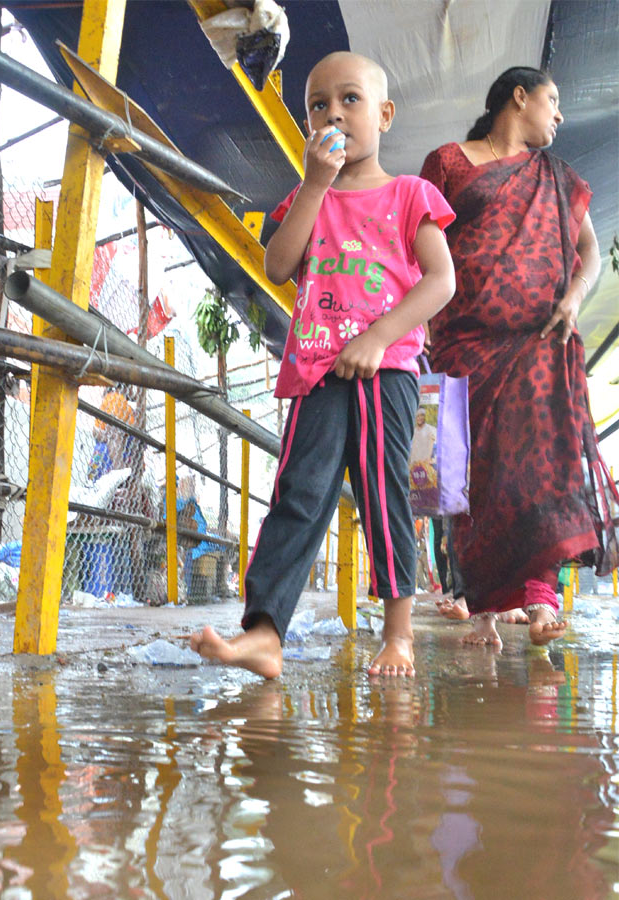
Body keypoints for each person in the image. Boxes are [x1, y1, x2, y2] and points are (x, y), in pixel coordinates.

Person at [189, 51, 456, 678]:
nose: (333, 112)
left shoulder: (411, 195)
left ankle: (399, 634)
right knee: (297, 494)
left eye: (350, 99)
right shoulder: (309, 198)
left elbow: (440, 281)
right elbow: (277, 266)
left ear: (385, 114)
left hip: (385, 370)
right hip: (316, 370)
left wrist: (380, 335)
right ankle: (264, 632)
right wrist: (313, 184)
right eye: (318, 104)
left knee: (383, 491)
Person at [420, 66, 615, 649]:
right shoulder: (448, 162)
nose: (559, 116)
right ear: (519, 96)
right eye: (552, 101)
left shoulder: (558, 179)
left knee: (540, 469)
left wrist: (573, 298)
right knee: (466, 473)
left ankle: (540, 596)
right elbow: (418, 242)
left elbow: (590, 254)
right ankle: (479, 605)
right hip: (459, 345)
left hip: (537, 342)